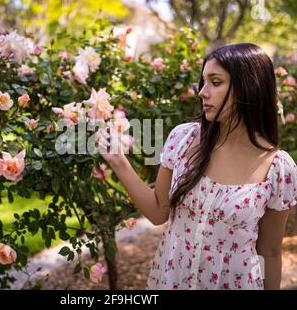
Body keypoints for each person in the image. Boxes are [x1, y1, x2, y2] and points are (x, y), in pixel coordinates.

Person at [99, 43, 297, 290]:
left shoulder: (278, 168)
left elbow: (269, 252)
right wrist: (117, 160)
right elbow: (158, 211)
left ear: (249, 87)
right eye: (203, 82)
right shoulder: (184, 139)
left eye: (215, 82)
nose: (202, 92)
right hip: (174, 281)